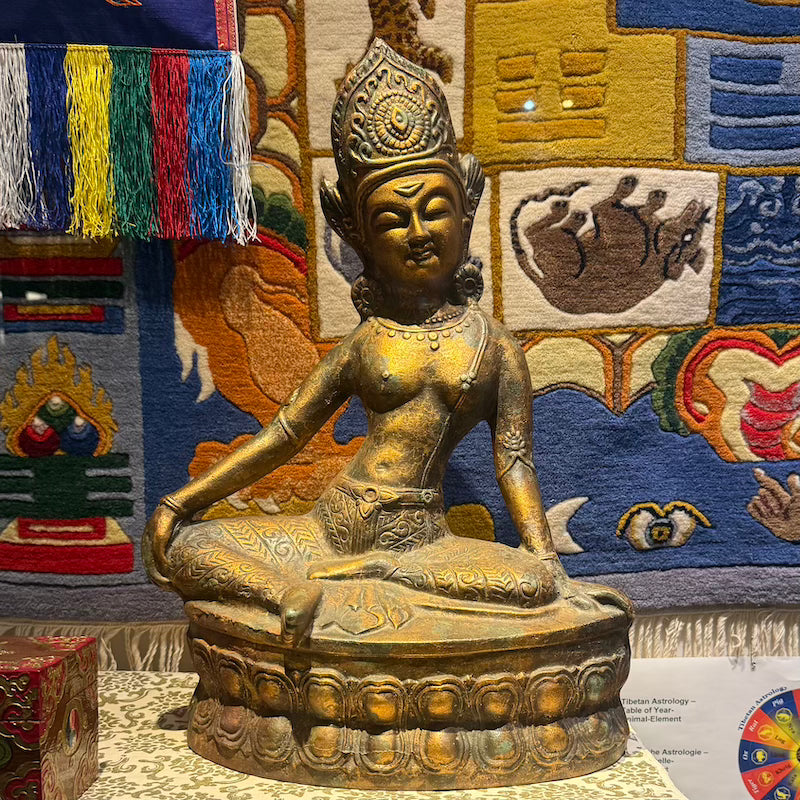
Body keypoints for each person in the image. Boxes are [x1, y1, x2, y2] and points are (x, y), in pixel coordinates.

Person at [143, 39, 629, 646]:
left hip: (418, 542)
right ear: (362, 240)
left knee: (531, 584)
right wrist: (181, 502)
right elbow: (284, 436)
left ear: (465, 216)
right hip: (328, 527)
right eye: (393, 220)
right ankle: (288, 594)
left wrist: (546, 560)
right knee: (189, 545)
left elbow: (514, 462)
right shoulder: (367, 341)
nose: (418, 232)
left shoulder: (495, 348)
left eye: (435, 210)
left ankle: (375, 575)